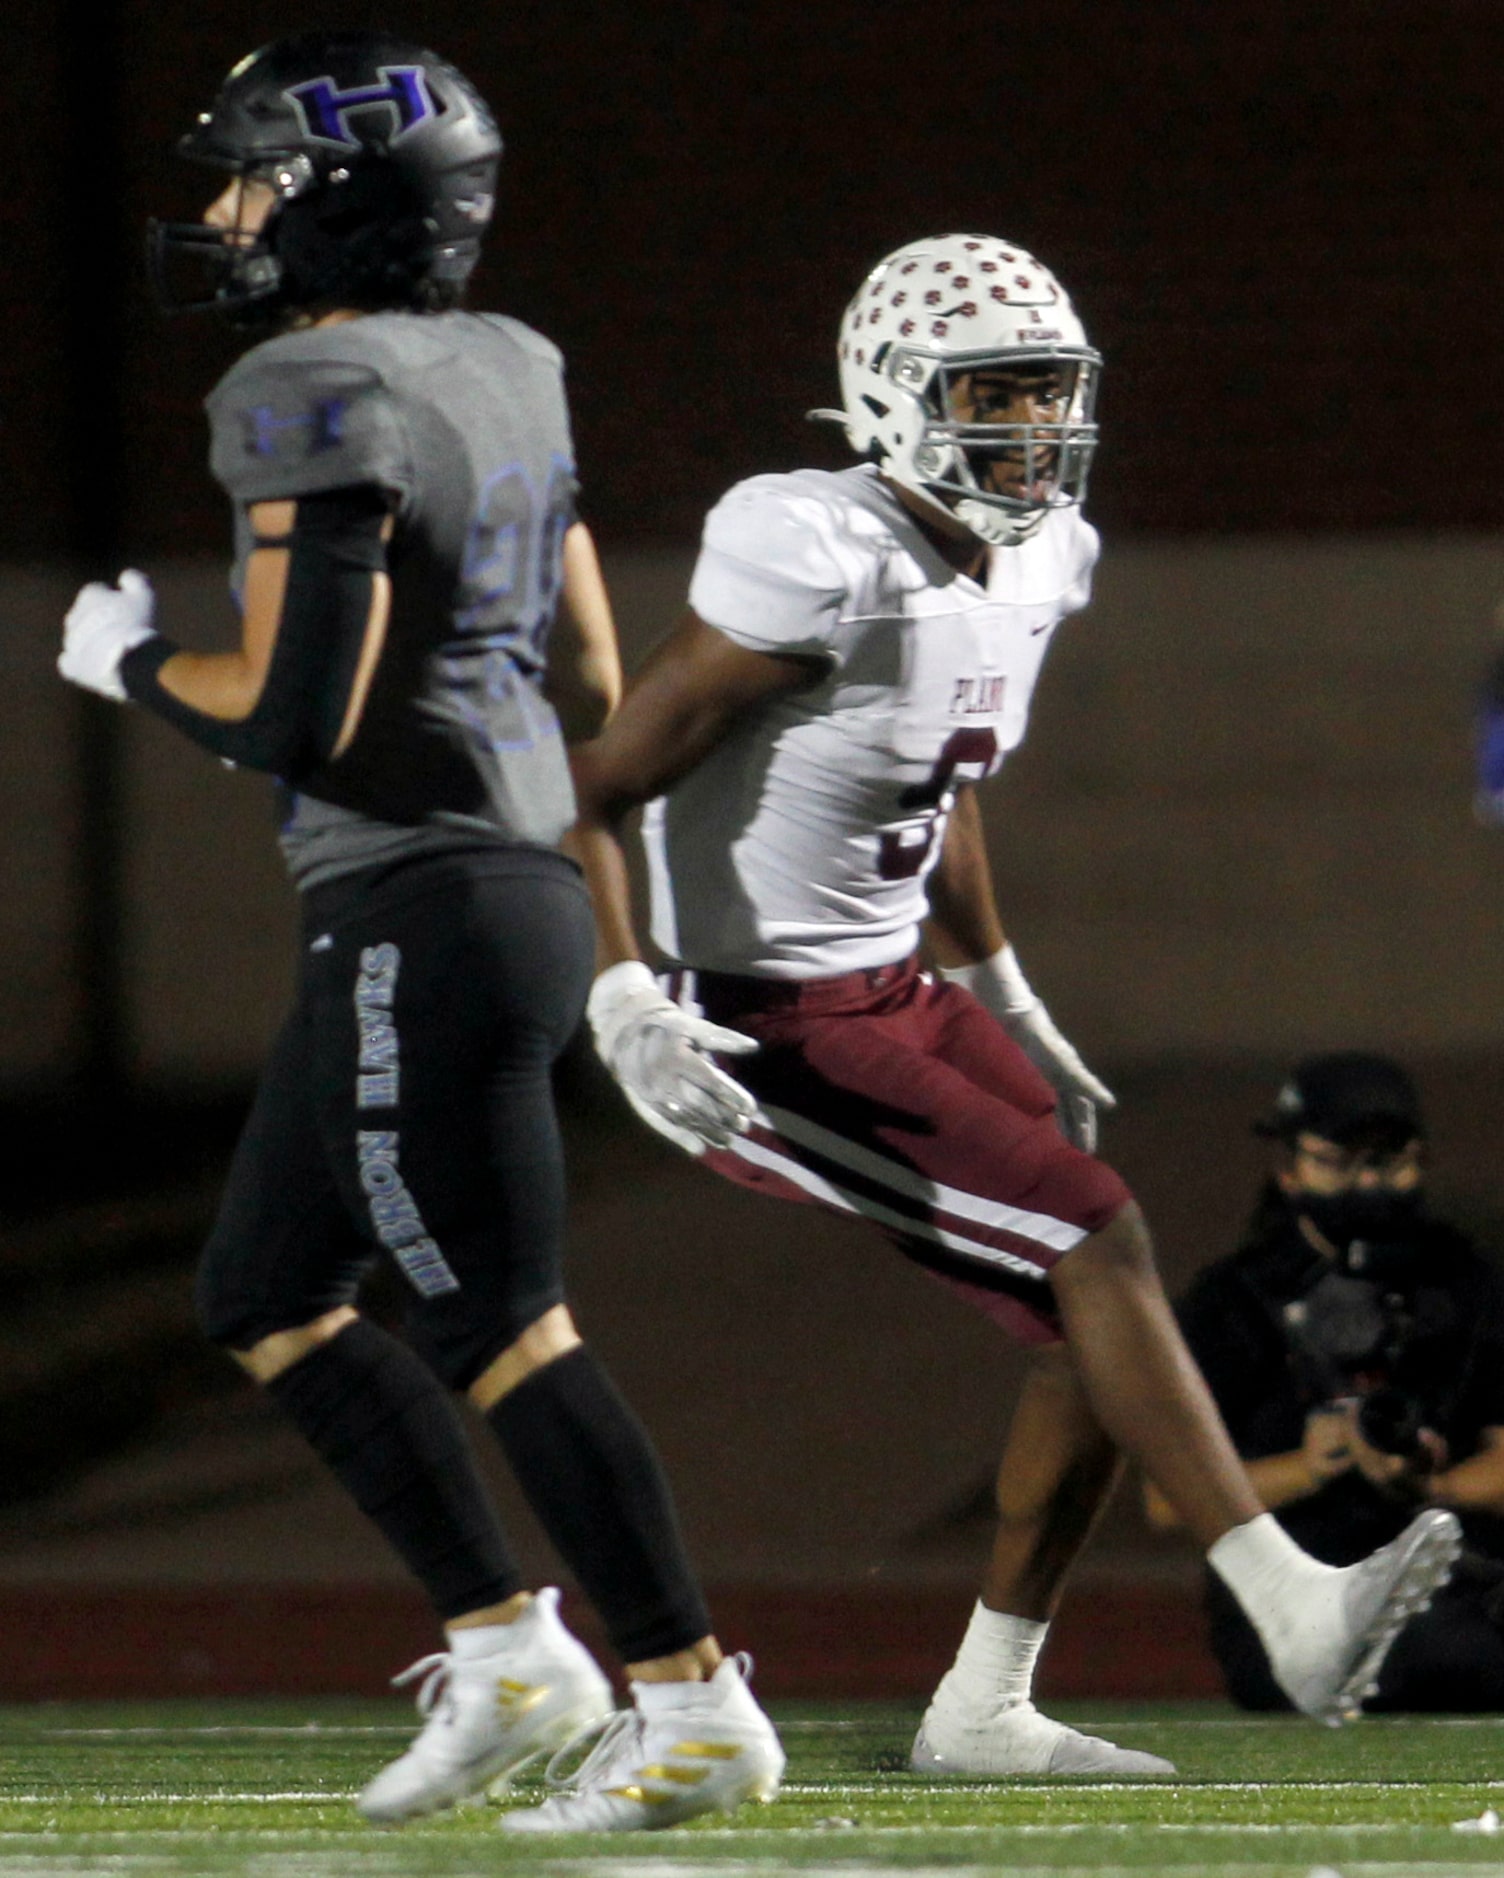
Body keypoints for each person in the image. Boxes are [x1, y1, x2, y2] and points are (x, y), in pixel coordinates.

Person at [566, 232, 1463, 1777]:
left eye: (1051, 396)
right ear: (894, 396)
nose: (1033, 430)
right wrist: (623, 989)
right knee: (1098, 1230)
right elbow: (592, 785)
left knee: (1096, 1325)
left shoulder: (1045, 554)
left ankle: (983, 1703)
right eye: (994, 392)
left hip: (901, 990)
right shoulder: (812, 548)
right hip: (761, 1027)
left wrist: (1000, 981)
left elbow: (946, 777)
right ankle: (1287, 1600)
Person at [56, 33, 782, 1835]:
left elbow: (292, 708)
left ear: (331, 201)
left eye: (248, 180)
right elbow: (594, 672)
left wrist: (126, 662)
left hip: (415, 902)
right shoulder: (511, 363)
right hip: (509, 879)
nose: (223, 218)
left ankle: (690, 1698)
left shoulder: (306, 383)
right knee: (266, 1289)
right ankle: (506, 1645)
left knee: (493, 1317)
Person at [1149, 1052, 1504, 1710]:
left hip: (1447, 1585)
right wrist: (1309, 1467)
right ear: (1288, 1167)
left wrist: (1430, 1482)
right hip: (1296, 1600)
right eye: (1340, 1161)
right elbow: (1168, 1499)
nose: (1368, 1182)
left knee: (1451, 1643)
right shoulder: (1232, 1302)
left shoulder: (1465, 1282)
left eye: (1388, 1159)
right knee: (1435, 1654)